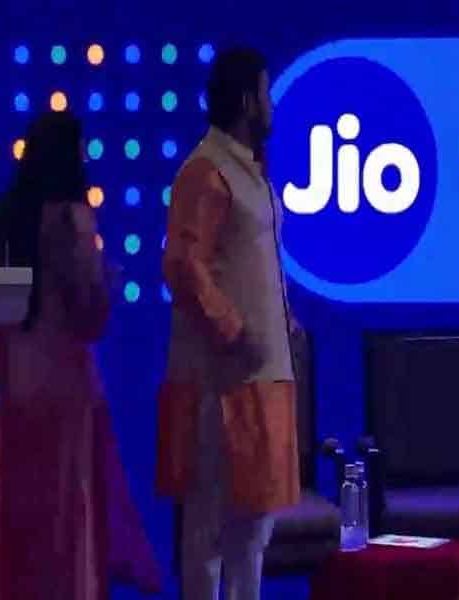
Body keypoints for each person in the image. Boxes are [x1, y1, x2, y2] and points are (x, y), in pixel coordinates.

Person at [0, 110, 162, 599]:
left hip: (13, 389)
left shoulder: (4, 215)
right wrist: (107, 282)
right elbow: (90, 314)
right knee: (66, 522)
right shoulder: (71, 219)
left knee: (18, 521)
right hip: (65, 393)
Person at [157, 47, 300, 600]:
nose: (271, 106)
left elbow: (247, 262)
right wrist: (235, 331)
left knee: (253, 529)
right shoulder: (207, 170)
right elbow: (183, 266)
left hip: (260, 379)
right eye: (265, 94)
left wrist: (283, 319)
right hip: (220, 383)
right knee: (211, 532)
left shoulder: (249, 170)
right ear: (245, 101)